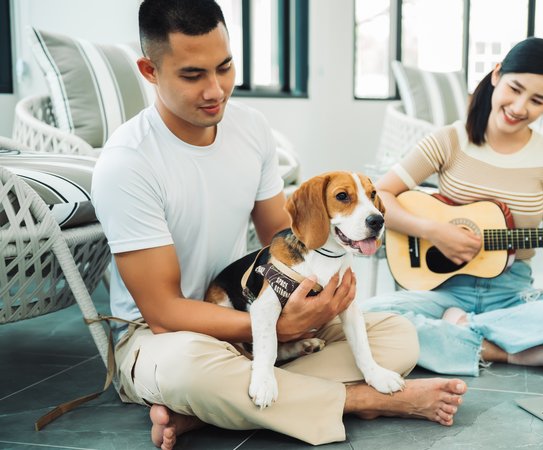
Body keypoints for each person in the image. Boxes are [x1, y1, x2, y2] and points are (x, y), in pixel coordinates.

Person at [91, 1, 465, 448]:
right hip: (163, 340)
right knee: (189, 370)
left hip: (256, 305)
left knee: (398, 336)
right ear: (150, 71)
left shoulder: (250, 128)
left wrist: (317, 298)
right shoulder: (127, 163)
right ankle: (358, 400)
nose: (216, 90)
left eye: (225, 67)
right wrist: (275, 328)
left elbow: (282, 241)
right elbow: (163, 312)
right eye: (193, 75)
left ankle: (214, 412)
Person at [360, 37, 543, 377]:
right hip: (441, 292)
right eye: (515, 88)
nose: (519, 107)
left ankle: (463, 332)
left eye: (537, 100)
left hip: (512, 295)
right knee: (364, 318)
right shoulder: (450, 140)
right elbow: (379, 196)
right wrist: (435, 231)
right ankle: (507, 351)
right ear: (497, 74)